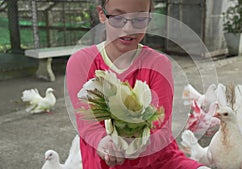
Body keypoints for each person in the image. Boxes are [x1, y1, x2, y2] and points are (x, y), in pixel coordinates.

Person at [66, 0, 210, 168]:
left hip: (157, 160)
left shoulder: (158, 64)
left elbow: (161, 129)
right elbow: (87, 126)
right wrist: (103, 142)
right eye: (118, 18)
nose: (128, 28)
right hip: (103, 162)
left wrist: (138, 145)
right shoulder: (82, 62)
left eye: (139, 19)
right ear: (102, 15)